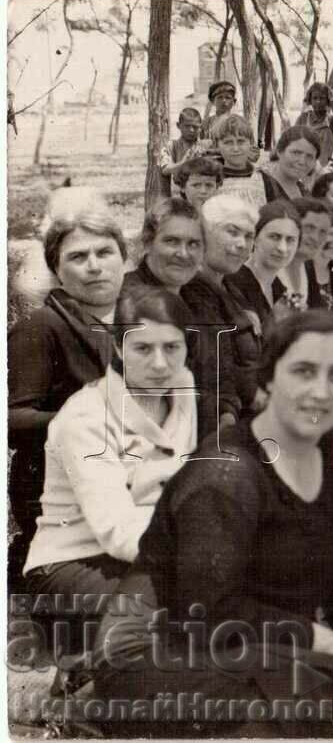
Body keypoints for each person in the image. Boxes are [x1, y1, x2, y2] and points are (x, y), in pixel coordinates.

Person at [93, 310, 333, 738]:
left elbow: (328, 555)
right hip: (160, 650)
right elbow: (205, 614)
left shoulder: (332, 441)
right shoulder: (226, 474)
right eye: (303, 372)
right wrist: (317, 640)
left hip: (246, 633)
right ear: (269, 379)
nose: (320, 391)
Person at [24, 287, 197, 639]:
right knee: (183, 616)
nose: (160, 364)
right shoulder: (86, 416)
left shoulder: (183, 387)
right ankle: (89, 656)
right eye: (143, 349)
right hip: (71, 564)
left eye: (172, 347)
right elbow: (117, 531)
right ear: (119, 347)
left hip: (149, 555)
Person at [8, 203, 126, 590]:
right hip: (64, 503)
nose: (94, 266)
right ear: (56, 269)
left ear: (124, 259)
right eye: (78, 257)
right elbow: (13, 420)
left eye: (105, 252)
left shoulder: (140, 321)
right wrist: (94, 420)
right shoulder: (42, 327)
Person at [180, 194, 263, 439]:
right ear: (203, 234)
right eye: (232, 232)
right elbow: (216, 379)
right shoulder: (191, 292)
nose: (242, 244)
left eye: (249, 236)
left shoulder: (230, 287)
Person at [226, 199, 301, 328]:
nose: (282, 248)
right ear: (254, 238)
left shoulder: (279, 289)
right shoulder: (233, 284)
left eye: (290, 240)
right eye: (274, 237)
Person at [123, 197, 204, 295]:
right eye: (172, 241)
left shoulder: (202, 291)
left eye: (193, 244)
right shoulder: (130, 297)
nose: (184, 254)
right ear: (147, 243)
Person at [278, 197, 333, 310]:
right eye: (309, 228)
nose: (315, 237)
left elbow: (318, 313)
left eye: (322, 232)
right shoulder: (271, 266)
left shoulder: (308, 267)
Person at [211, 113, 267, 207]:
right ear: (217, 145)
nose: (235, 149)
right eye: (228, 142)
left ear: (251, 142)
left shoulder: (264, 179)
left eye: (241, 141)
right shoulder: (207, 179)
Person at [295, 82, 333, 177]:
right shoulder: (303, 118)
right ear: (310, 100)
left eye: (322, 98)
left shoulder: (330, 120)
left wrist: (332, 99)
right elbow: (294, 139)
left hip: (327, 163)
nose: (318, 101)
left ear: (327, 101)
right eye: (315, 98)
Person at [259, 125, 320, 202]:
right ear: (279, 151)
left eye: (309, 157)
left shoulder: (305, 193)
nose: (302, 161)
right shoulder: (259, 184)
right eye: (296, 153)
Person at [157, 107, 206, 193]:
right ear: (178, 125)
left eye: (195, 127)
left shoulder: (206, 145)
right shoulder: (172, 145)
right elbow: (165, 170)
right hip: (181, 190)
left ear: (200, 127)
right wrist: (183, 163)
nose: (191, 130)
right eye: (187, 126)